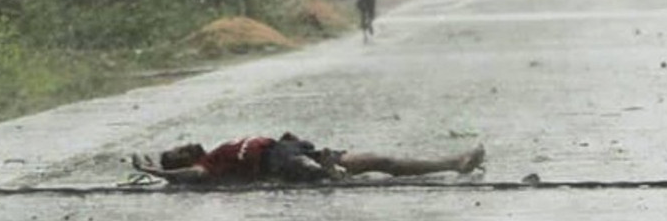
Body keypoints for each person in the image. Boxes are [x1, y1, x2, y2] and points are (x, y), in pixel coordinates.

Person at [130, 132, 485, 185]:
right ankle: (330, 174)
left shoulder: (219, 147)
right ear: (181, 161)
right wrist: (151, 170)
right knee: (306, 169)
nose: (183, 145)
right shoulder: (204, 167)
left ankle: (454, 162)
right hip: (278, 164)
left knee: (382, 160)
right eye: (175, 152)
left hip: (292, 147)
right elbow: (186, 178)